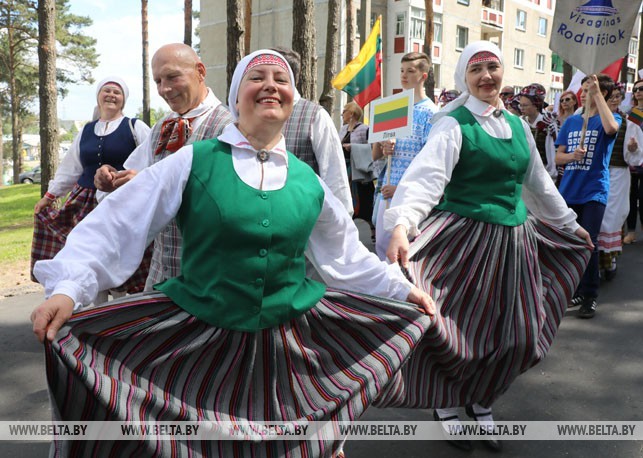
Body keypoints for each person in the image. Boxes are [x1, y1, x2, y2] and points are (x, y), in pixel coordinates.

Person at [31, 49, 435, 458]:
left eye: (281, 80)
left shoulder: (307, 180)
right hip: (199, 343)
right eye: (257, 77)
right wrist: (69, 288)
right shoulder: (194, 160)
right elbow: (118, 223)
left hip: (288, 351)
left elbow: (346, 255)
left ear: (292, 97)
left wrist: (400, 290)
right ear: (236, 96)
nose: (271, 86)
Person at [376, 41, 592, 452]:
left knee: (516, 333)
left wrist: (569, 224)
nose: (486, 76)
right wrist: (402, 223)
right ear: (464, 78)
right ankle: (448, 404)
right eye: (476, 70)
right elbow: (426, 179)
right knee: (460, 332)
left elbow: (538, 184)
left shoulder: (518, 126)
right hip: (463, 244)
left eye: (492, 67)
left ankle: (482, 399)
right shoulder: (453, 124)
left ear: (502, 72)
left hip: (513, 244)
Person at [94, 43, 234, 290]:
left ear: (200, 72)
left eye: (172, 77)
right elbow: (133, 176)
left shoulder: (229, 128)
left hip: (209, 282)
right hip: (160, 276)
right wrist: (111, 181)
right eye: (158, 81)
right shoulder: (161, 127)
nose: (164, 89)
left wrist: (145, 184)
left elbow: (232, 206)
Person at [31, 77, 152, 303]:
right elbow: (71, 167)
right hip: (85, 204)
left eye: (117, 92)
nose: (111, 95)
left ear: (124, 99)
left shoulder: (135, 127)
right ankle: (98, 309)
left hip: (123, 201)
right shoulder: (86, 130)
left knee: (118, 253)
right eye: (107, 90)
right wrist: (49, 196)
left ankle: (121, 308)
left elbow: (151, 159)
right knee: (89, 254)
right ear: (98, 96)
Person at [556, 74, 621, 319]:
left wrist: (597, 94)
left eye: (588, 90)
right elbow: (558, 157)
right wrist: (572, 156)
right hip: (569, 191)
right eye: (583, 90)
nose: (583, 94)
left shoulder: (611, 118)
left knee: (589, 243)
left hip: (594, 191)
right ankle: (577, 289)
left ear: (601, 94)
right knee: (572, 243)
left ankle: (590, 294)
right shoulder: (572, 122)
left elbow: (611, 129)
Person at [271, 46, 353, 214]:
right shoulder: (255, 115)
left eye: (275, 76)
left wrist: (341, 221)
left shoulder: (315, 116)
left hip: (305, 220)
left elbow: (335, 180)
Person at [372, 52, 437, 260]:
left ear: (423, 76)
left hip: (409, 197)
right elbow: (375, 155)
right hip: (385, 192)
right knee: (382, 252)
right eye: (402, 70)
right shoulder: (392, 107)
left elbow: (430, 162)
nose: (404, 75)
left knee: (402, 255)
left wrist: (401, 189)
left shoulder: (431, 113)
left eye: (410, 71)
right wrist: (384, 145)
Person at [597, 84, 643, 279]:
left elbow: (635, 157)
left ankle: (610, 260)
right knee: (595, 217)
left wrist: (633, 149)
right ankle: (595, 263)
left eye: (618, 96)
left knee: (611, 218)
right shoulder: (593, 119)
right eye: (611, 96)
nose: (615, 99)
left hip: (617, 175)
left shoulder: (629, 121)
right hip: (595, 174)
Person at [338, 101, 375, 240]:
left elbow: (372, 148)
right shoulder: (343, 129)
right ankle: (347, 230)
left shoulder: (365, 129)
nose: (342, 114)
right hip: (345, 170)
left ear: (352, 114)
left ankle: (373, 228)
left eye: (344, 111)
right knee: (346, 198)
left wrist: (353, 147)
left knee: (365, 199)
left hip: (360, 172)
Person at [519, 83, 558, 179]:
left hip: (544, 172)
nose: (522, 108)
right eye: (520, 105)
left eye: (525, 105)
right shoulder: (520, 122)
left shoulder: (548, 123)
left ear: (536, 105)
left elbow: (552, 149)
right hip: (524, 171)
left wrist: (551, 174)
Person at [624, 79, 643, 244]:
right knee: (630, 197)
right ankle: (630, 231)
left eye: (641, 88)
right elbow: (629, 136)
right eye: (635, 89)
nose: (638, 92)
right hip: (633, 161)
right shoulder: (632, 113)